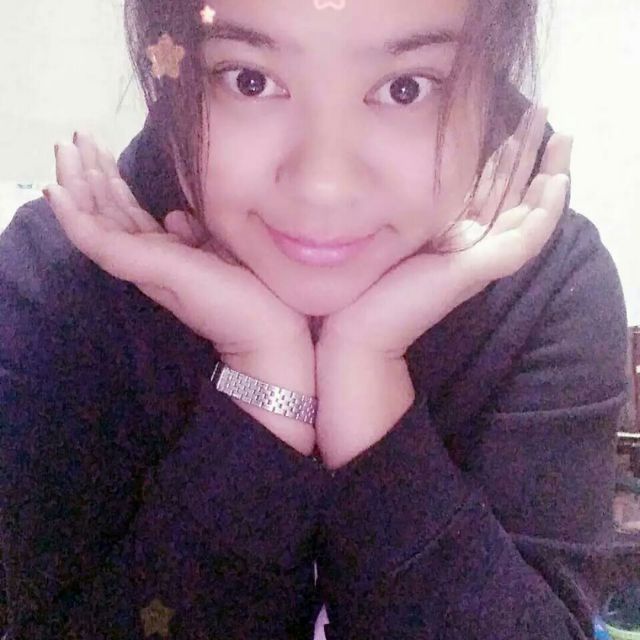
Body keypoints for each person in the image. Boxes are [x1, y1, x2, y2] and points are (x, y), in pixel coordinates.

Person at [1, 0, 639, 638]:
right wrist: (262, 387)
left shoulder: (546, 290)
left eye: (406, 88)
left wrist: (368, 383)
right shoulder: (59, 279)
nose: (322, 185)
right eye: (250, 80)